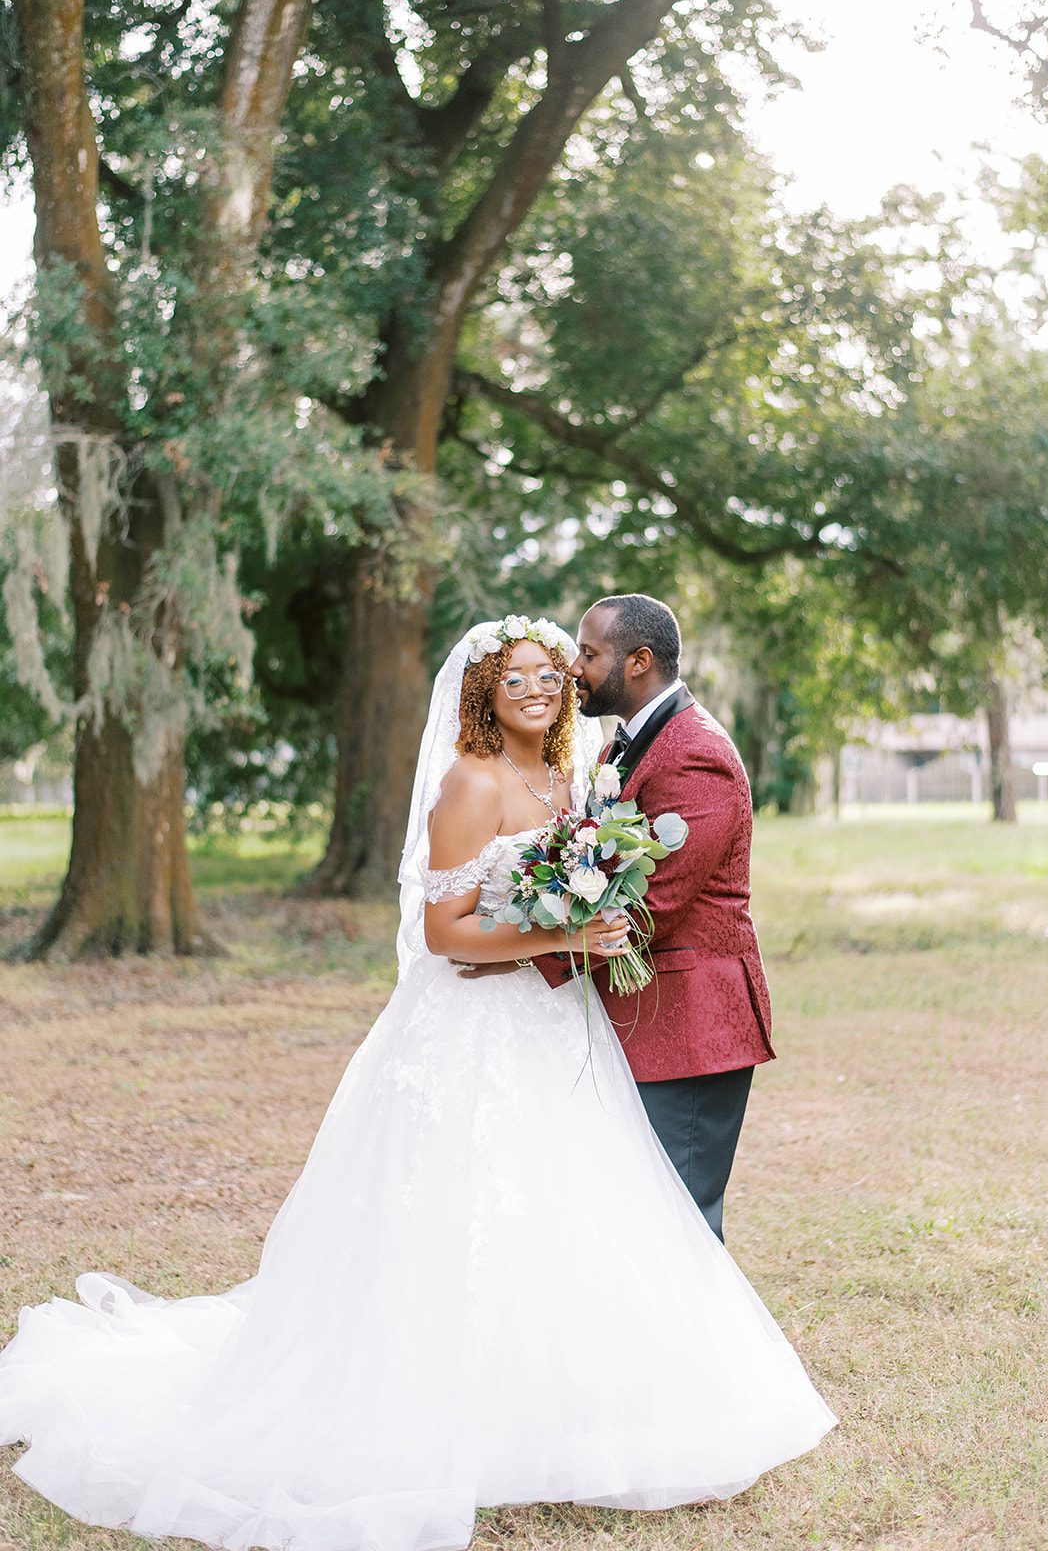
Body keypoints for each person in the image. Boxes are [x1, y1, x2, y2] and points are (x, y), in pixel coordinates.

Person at [0, 615, 834, 1551]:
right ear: (482, 692)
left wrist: (559, 936)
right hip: (475, 1024)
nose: (545, 688)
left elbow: (632, 890)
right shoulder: (470, 783)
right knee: (454, 1212)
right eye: (519, 677)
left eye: (556, 674)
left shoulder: (578, 776)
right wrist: (556, 937)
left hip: (560, 1019)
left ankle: (571, 1405)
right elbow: (446, 935)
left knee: (574, 1211)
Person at [462, 594, 774, 1244]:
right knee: (635, 1219)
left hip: (690, 1026)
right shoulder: (621, 748)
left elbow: (650, 906)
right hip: (640, 1018)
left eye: (589, 653)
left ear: (638, 662)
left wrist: (516, 954)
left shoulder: (695, 754)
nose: (574, 667)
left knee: (680, 1222)